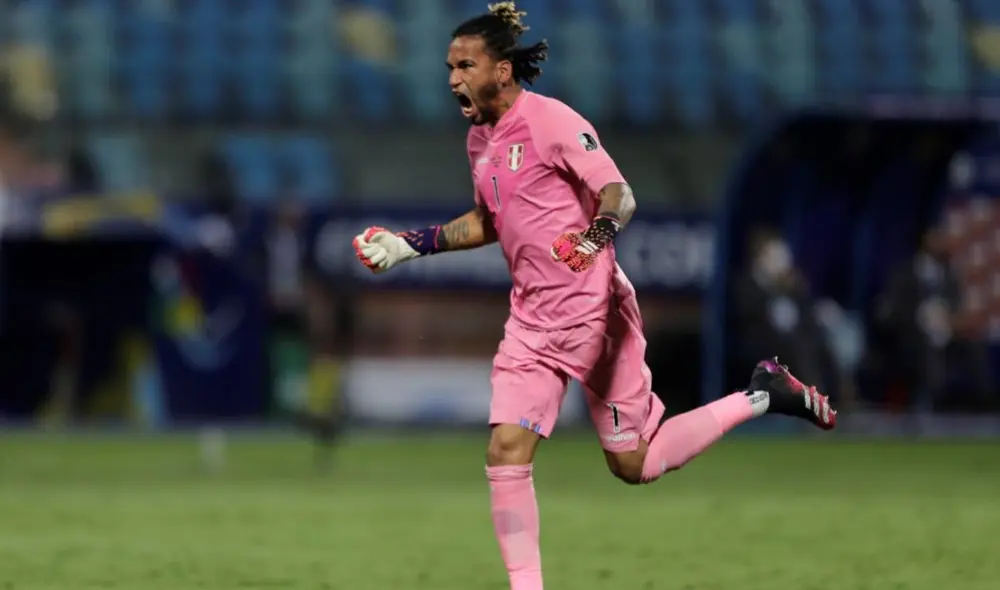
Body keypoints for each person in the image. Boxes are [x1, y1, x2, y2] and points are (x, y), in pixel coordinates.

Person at [351, 4, 837, 589]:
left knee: (630, 463)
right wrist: (410, 245)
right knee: (517, 449)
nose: (453, 77)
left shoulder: (552, 121)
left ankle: (761, 397)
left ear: (502, 71)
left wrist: (594, 236)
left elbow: (619, 194)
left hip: (596, 309)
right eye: (450, 66)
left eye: (465, 65)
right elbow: (491, 219)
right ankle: (527, 587)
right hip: (534, 316)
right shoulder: (479, 140)